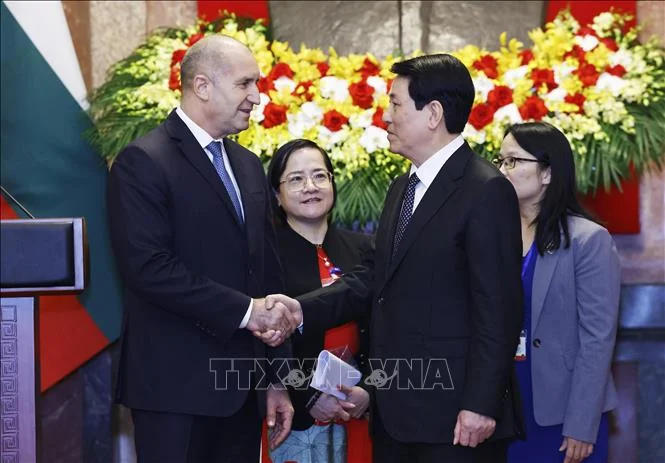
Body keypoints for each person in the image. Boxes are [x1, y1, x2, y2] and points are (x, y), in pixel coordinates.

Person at [262, 54, 525, 462]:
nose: (385, 117)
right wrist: (300, 310)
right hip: (394, 415)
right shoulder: (403, 187)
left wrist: (480, 404)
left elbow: (499, 308)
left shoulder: (485, 190)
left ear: (433, 113)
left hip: (455, 419)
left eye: (396, 104)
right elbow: (373, 280)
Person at [107, 35, 299, 463]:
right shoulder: (143, 161)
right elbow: (149, 268)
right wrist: (248, 312)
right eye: (245, 84)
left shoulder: (248, 164)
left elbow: (267, 275)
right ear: (202, 85)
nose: (257, 96)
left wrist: (275, 377)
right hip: (174, 392)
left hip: (241, 391)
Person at [494, 122, 620, 463]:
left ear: (547, 173)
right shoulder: (490, 236)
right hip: (500, 405)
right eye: (500, 161)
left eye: (514, 161)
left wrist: (582, 423)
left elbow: (598, 338)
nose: (503, 170)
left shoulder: (588, 240)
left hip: (563, 410)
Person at [260, 139, 374, 463]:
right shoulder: (266, 258)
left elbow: (386, 329)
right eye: (296, 179)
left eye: (319, 176)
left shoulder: (365, 249)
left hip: (356, 409)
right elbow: (260, 343)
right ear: (277, 195)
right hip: (293, 415)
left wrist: (369, 390)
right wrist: (307, 395)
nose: (310, 187)